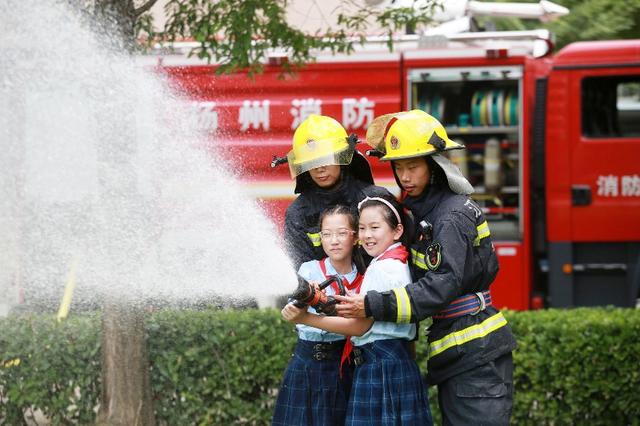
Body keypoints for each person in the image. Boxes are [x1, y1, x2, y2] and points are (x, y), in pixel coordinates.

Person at [335, 110, 517, 426]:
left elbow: (442, 284)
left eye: (413, 167)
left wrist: (372, 304)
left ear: (433, 166)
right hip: (463, 349)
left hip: (475, 351)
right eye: (399, 167)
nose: (405, 176)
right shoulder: (429, 213)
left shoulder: (449, 218)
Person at [282, 195, 432, 426]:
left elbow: (360, 326)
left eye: (374, 227)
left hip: (378, 363)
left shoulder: (382, 269)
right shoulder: (388, 263)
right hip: (381, 361)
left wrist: (306, 317)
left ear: (397, 230)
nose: (367, 235)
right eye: (363, 228)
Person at [272, 204, 363, 426]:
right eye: (327, 234)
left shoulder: (363, 279)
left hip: (342, 364)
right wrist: (298, 305)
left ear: (355, 237)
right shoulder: (308, 270)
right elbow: (293, 307)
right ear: (320, 238)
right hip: (305, 361)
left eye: (342, 233)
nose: (334, 240)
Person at [272, 114, 392, 271]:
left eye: (325, 159)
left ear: (341, 156)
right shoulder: (298, 214)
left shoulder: (375, 199)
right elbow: (299, 270)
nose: (319, 168)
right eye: (311, 162)